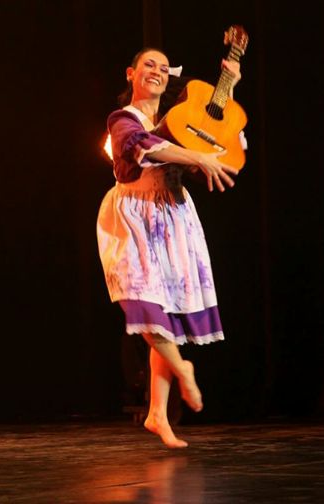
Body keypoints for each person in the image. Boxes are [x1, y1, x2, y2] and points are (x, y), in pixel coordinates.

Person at [97, 47, 241, 448]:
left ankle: (158, 414)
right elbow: (141, 147)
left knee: (166, 315)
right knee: (142, 304)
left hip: (174, 217)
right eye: (149, 65)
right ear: (131, 73)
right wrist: (194, 154)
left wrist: (227, 85)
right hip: (132, 214)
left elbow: (212, 137)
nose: (157, 72)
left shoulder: (177, 120)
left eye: (163, 68)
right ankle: (185, 371)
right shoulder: (122, 119)